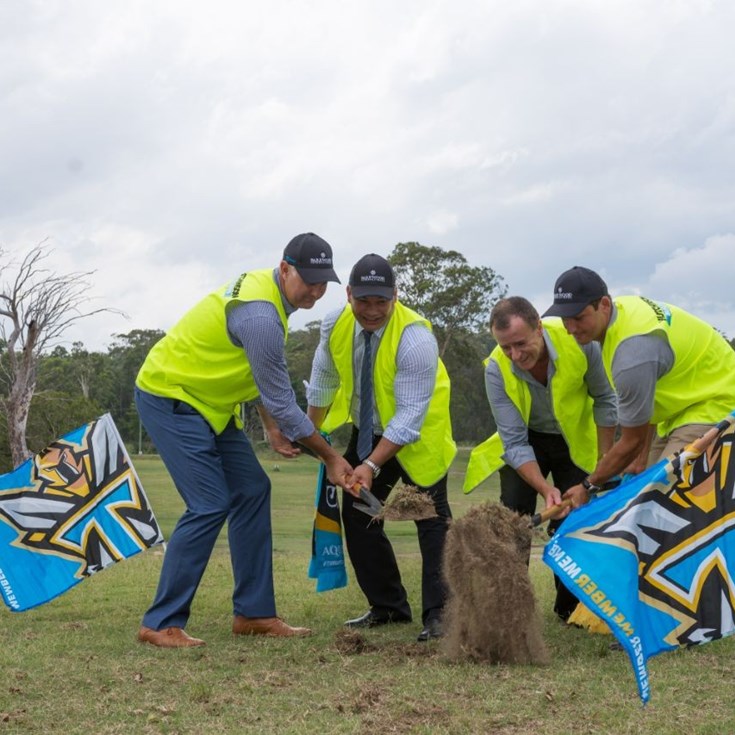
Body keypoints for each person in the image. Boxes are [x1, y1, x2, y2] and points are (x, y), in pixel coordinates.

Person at [135, 233, 355, 648]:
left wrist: (270, 427)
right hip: (171, 395)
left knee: (253, 489)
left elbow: (257, 377)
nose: (315, 290)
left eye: (322, 282)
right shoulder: (260, 315)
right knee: (208, 503)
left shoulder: (271, 298)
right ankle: (160, 622)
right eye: (308, 280)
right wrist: (329, 457)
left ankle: (254, 614)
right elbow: (287, 404)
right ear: (285, 268)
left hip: (211, 407)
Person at [306, 253, 456, 642]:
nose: (372, 311)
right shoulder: (334, 324)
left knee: (432, 519)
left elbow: (408, 417)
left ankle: (441, 615)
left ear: (395, 296)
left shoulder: (416, 338)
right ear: (350, 294)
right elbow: (322, 379)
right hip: (369, 428)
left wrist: (369, 466)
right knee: (358, 513)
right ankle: (388, 606)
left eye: (381, 302)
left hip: (419, 434)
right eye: (364, 301)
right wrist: (308, 432)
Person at [464, 296, 617, 620]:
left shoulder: (581, 344)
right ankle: (512, 607)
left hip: (573, 438)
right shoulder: (495, 368)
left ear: (539, 327)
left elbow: (605, 399)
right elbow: (515, 441)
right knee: (514, 513)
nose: (515, 356)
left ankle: (571, 608)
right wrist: (543, 489)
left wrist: (604, 462)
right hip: (526, 441)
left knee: (574, 518)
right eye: (506, 348)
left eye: (520, 344)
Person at [543, 265, 735, 509]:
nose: (570, 329)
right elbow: (646, 403)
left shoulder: (631, 353)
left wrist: (587, 487)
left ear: (603, 305)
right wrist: (640, 459)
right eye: (564, 320)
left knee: (662, 500)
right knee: (641, 489)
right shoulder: (621, 312)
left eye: (579, 318)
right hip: (680, 407)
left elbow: (631, 441)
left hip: (716, 401)